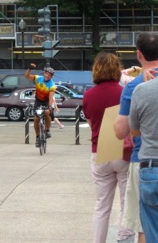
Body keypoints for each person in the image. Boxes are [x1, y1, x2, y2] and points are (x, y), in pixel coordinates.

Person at [83, 52, 134, 243]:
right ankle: (123, 239)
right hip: (123, 150)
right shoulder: (125, 92)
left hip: (100, 151)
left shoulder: (88, 95)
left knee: (101, 205)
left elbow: (91, 123)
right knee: (126, 204)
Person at [114, 32, 158, 243]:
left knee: (145, 227)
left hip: (145, 161)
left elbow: (124, 131)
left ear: (138, 54)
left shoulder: (136, 86)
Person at [25, 64, 56, 147]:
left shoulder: (52, 84)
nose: (48, 76)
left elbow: (51, 97)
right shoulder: (38, 78)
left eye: (50, 75)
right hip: (38, 101)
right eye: (47, 74)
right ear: (44, 73)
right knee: (36, 119)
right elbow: (27, 76)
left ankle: (47, 130)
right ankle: (38, 137)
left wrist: (49, 106)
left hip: (46, 102)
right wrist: (29, 68)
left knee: (47, 112)